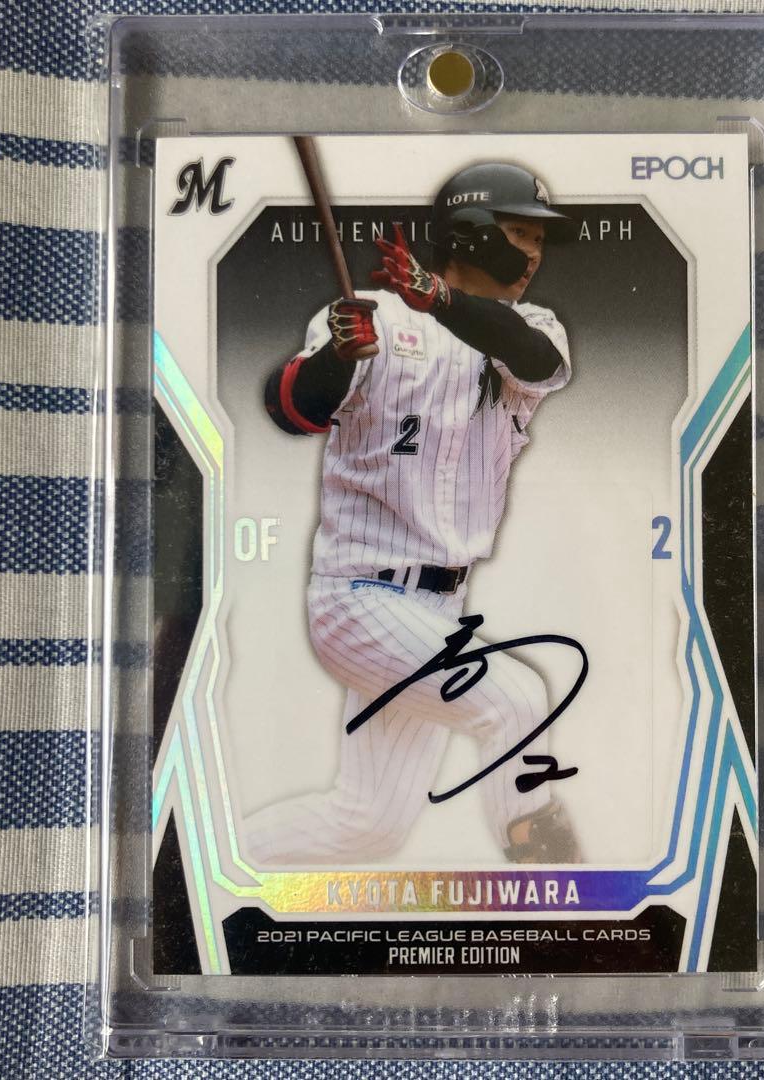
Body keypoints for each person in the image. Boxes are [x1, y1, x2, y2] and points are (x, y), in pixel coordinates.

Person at [246, 163, 581, 865]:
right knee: (516, 702)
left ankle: (209, 860)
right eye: (519, 233)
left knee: (368, 825)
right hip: (358, 596)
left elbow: (534, 359)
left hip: (439, 610)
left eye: (539, 240)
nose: (534, 254)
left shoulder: (529, 325)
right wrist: (339, 355)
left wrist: (439, 298)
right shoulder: (373, 317)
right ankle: (561, 893)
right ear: (471, 232)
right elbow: (294, 408)